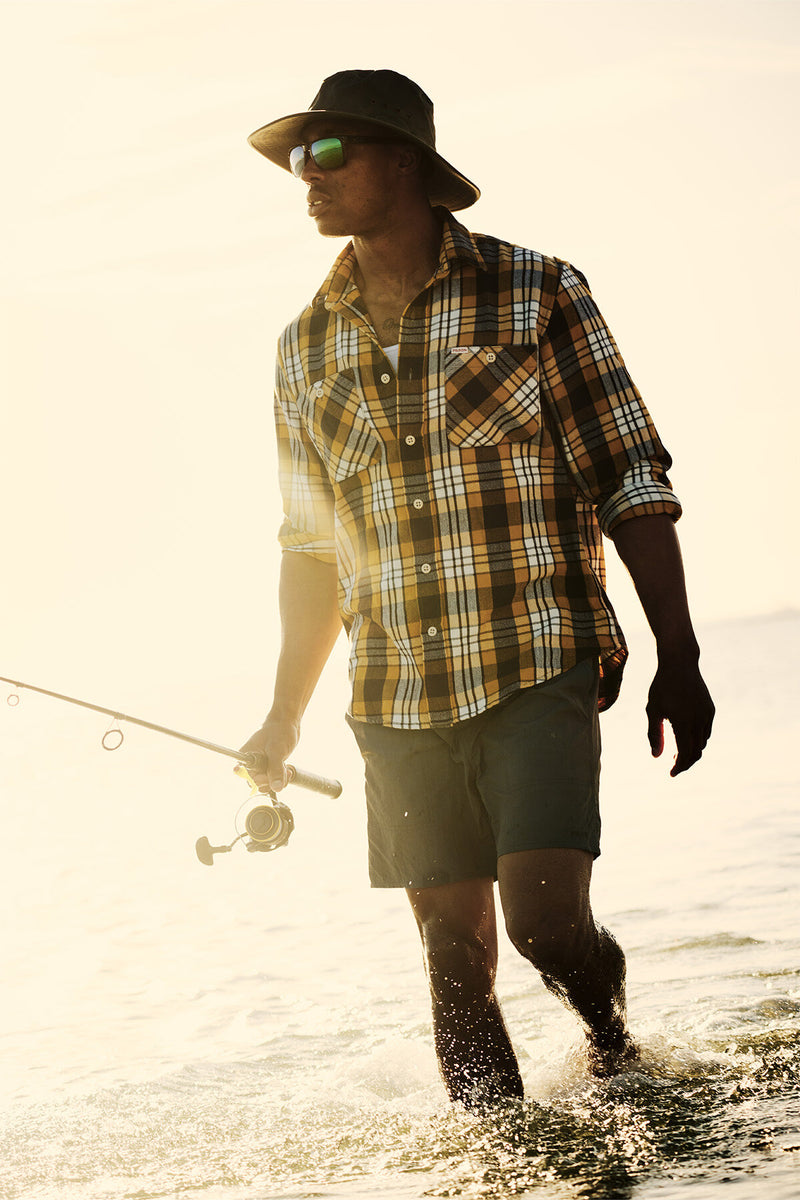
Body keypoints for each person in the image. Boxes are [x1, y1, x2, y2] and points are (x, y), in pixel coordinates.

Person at [240, 69, 715, 1108]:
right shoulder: (300, 348)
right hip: (394, 693)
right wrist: (280, 716)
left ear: (404, 163)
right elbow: (308, 546)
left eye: (327, 154)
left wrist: (676, 656)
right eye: (294, 159)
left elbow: (628, 474)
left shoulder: (539, 289)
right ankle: (501, 1160)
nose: (302, 177)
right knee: (452, 966)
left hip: (535, 656)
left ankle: (610, 1040)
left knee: (545, 924)